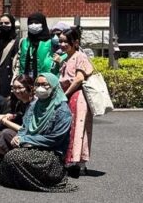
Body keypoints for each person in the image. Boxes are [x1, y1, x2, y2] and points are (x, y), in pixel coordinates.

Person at [0, 73, 76, 192]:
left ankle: (38, 181)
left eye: (44, 84)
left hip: (51, 153)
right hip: (31, 148)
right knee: (10, 156)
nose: (40, 87)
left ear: (54, 86)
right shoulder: (34, 105)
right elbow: (25, 127)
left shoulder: (62, 110)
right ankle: (23, 181)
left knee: (13, 157)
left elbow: (54, 139)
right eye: (37, 84)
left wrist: (25, 139)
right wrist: (20, 136)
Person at [57, 27, 93, 176]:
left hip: (77, 97)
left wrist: (65, 94)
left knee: (79, 130)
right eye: (60, 41)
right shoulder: (68, 57)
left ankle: (78, 163)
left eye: (66, 41)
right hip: (70, 96)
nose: (62, 44)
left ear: (75, 42)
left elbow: (79, 78)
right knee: (70, 128)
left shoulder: (80, 56)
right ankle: (72, 161)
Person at [0, 13, 20, 96]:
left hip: (9, 80)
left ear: (12, 24)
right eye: (1, 23)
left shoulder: (17, 42)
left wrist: (14, 80)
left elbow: (18, 63)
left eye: (6, 23)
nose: (3, 25)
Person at [18, 12, 56, 80]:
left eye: (36, 23)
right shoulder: (24, 42)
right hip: (26, 79)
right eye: (30, 23)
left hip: (45, 79)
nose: (33, 25)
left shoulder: (51, 42)